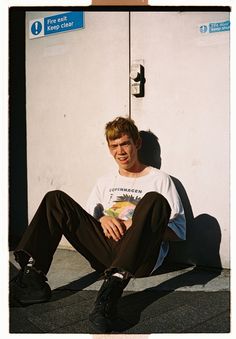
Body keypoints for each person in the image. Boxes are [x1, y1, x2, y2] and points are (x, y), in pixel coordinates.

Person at [10, 116, 186, 333]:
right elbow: (89, 219)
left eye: (125, 144)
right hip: (105, 253)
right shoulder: (104, 182)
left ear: (137, 143)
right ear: (109, 149)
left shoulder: (160, 180)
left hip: (139, 261)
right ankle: (32, 278)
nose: (120, 151)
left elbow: (178, 232)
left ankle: (110, 294)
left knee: (155, 200)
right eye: (114, 146)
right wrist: (102, 218)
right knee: (55, 199)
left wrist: (137, 224)